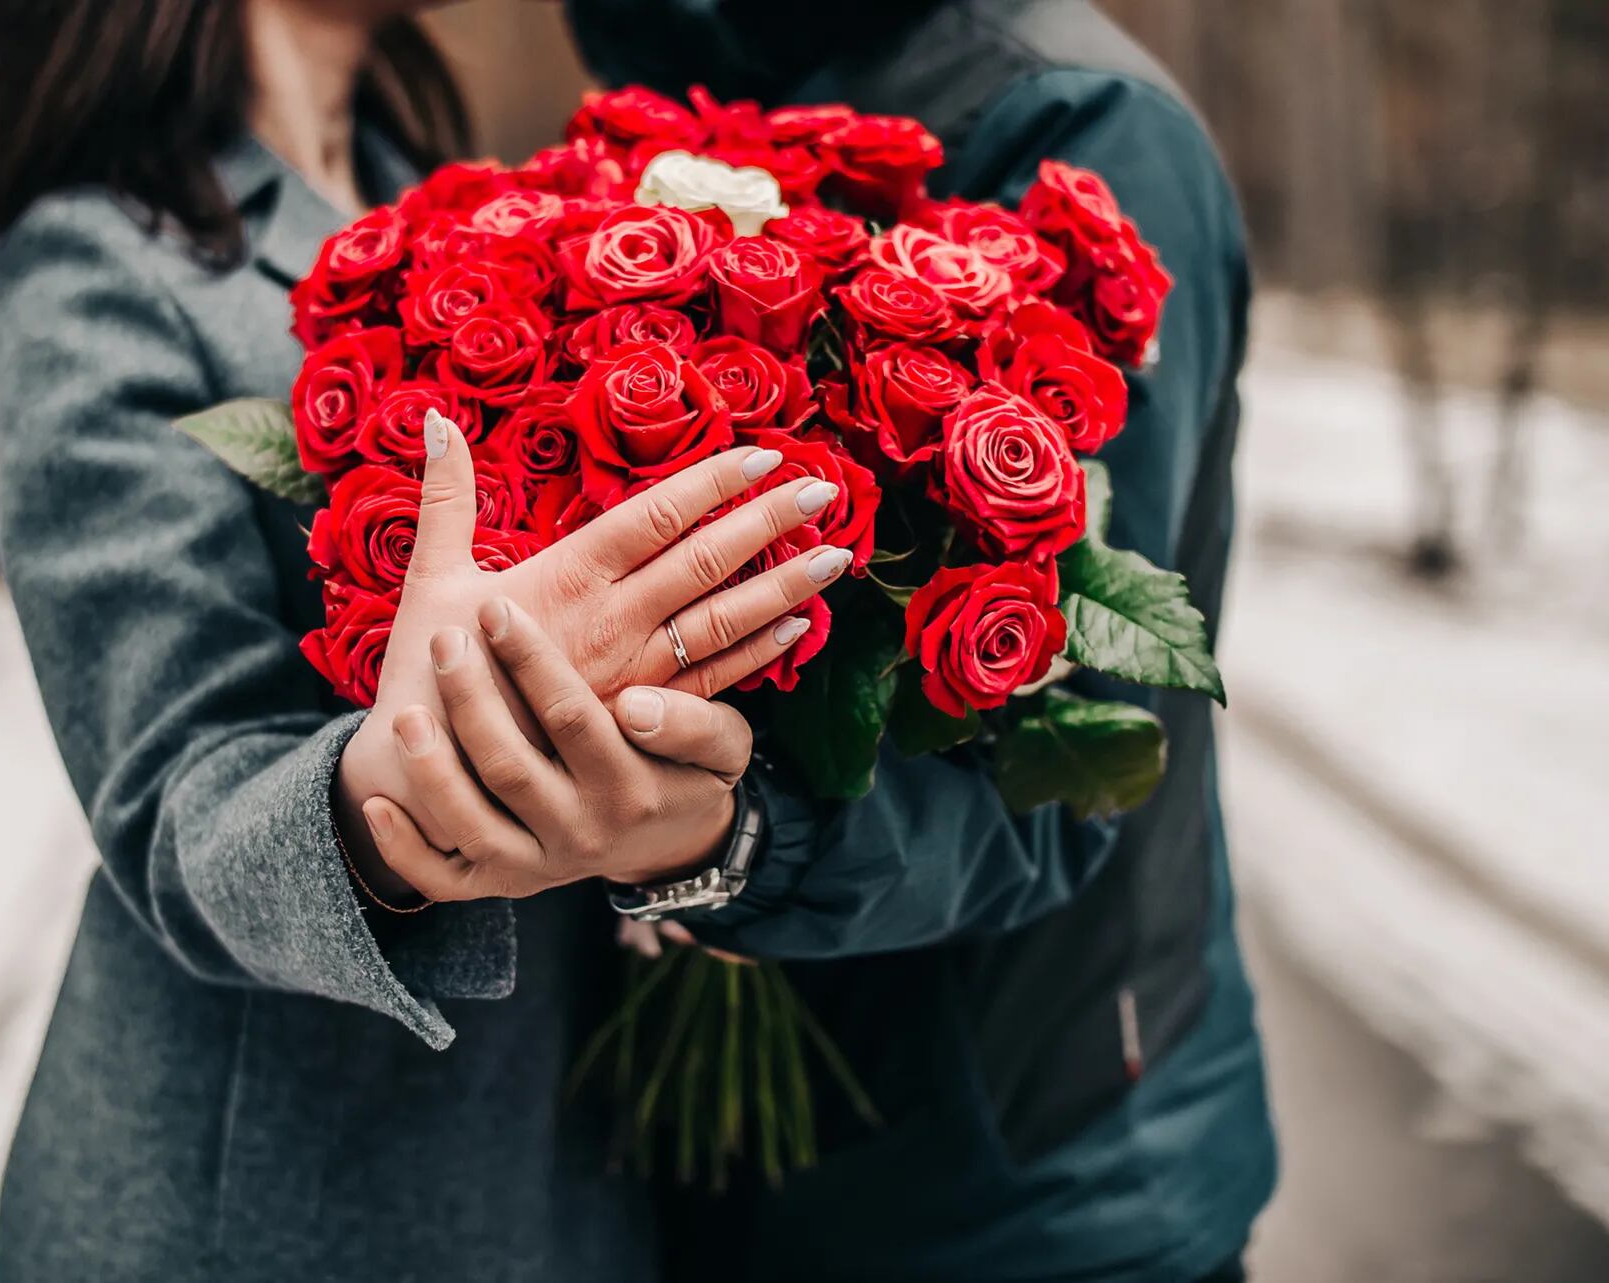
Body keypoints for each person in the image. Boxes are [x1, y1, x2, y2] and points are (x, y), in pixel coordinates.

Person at [0, 2, 845, 1278]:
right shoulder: (89, 266)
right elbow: (178, 803)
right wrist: (391, 797)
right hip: (280, 1205)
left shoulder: (444, 192)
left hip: (560, 1159)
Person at [384, 0, 1274, 1279]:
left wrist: (734, 837)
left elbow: (1053, 779)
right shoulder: (684, 83)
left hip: (1026, 1184)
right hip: (712, 1188)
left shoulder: (1075, 122)